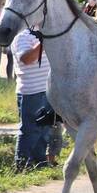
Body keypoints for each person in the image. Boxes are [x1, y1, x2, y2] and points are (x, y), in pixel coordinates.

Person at [11, 28, 61, 168]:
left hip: (46, 90)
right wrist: (45, 42)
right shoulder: (21, 36)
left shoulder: (39, 35)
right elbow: (26, 59)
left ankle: (39, 162)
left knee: (44, 129)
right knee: (30, 130)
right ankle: (21, 164)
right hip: (31, 91)